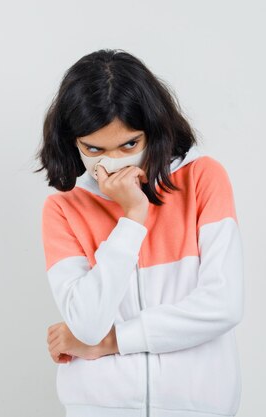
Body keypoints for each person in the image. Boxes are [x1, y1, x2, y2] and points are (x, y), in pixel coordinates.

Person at [33, 49, 244, 417]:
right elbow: (87, 324)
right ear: (73, 142)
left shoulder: (202, 179)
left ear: (153, 130)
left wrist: (113, 342)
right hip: (98, 408)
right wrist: (132, 217)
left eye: (129, 144)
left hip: (195, 406)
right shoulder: (63, 209)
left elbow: (223, 305)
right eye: (94, 149)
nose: (112, 161)